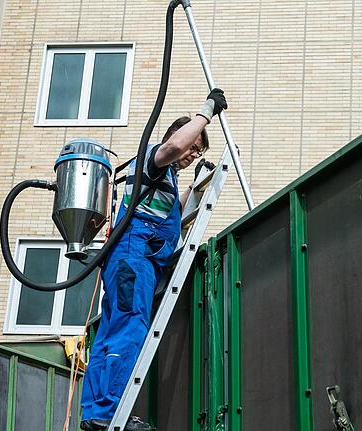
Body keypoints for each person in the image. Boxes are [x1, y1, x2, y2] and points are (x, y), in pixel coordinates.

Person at [80, 88, 228, 431]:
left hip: (126, 260)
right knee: (130, 328)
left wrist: (197, 182)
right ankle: (111, 410)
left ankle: (96, 412)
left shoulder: (163, 177)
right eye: (193, 146)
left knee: (109, 333)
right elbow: (172, 148)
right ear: (177, 136)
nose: (192, 153)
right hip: (134, 258)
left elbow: (172, 208)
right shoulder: (155, 155)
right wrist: (206, 112)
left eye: (198, 150)